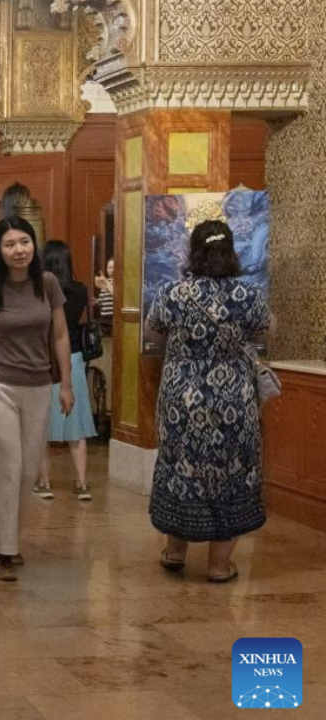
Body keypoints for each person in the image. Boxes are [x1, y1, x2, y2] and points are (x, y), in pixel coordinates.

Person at [145, 220, 274, 582]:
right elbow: (267, 331)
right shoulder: (247, 294)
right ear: (230, 251)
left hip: (180, 400)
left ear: (194, 252)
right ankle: (218, 567)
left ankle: (174, 553)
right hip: (233, 398)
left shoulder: (172, 292)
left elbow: (152, 331)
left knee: (181, 468)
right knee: (232, 472)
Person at [0, 216, 72, 582]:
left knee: (28, 471)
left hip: (39, 386)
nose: (18, 250)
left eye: (24, 241)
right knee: (7, 466)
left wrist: (66, 384)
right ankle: (5, 551)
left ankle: (1, 532)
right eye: (9, 244)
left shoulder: (47, 283)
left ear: (33, 244)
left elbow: (60, 335)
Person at [36, 240, 98, 501]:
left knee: (40, 424)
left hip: (44, 358)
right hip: (73, 358)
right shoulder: (80, 290)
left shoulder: (39, 290)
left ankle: (44, 482)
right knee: (77, 423)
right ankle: (82, 483)